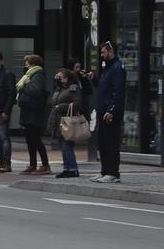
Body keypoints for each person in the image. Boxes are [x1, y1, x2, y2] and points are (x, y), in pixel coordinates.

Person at [92, 40, 127, 183]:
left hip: (110, 112)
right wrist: (93, 79)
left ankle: (113, 172)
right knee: (102, 143)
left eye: (103, 52)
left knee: (111, 143)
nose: (101, 55)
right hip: (102, 110)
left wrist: (111, 110)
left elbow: (117, 92)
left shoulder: (118, 68)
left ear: (111, 52)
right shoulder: (108, 68)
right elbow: (102, 88)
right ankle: (104, 170)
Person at [47, 68, 86, 178]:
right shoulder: (59, 88)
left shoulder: (73, 88)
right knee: (62, 145)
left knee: (67, 146)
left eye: (60, 77)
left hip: (67, 120)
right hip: (59, 120)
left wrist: (61, 107)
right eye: (57, 77)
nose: (57, 79)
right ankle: (67, 168)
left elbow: (77, 104)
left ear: (66, 78)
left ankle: (73, 169)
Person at [15, 54, 49, 174]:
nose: (25, 64)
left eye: (27, 62)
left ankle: (45, 165)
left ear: (33, 64)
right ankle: (32, 164)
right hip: (27, 111)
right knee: (29, 139)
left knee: (36, 139)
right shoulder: (29, 75)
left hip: (34, 112)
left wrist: (24, 86)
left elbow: (36, 91)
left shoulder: (37, 75)